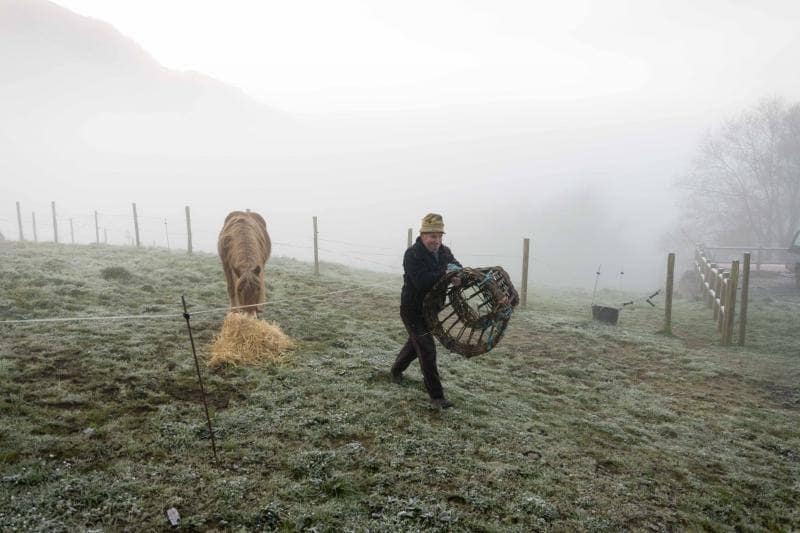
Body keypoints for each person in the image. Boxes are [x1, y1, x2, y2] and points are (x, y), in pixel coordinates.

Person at [391, 213, 462, 409]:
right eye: (432, 236)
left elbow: (457, 267)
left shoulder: (445, 252)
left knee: (416, 345)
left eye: (440, 236)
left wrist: (458, 277)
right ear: (422, 235)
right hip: (412, 311)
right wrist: (446, 274)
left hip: (431, 310)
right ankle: (437, 397)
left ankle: (395, 371)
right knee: (427, 349)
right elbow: (422, 282)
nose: (437, 241)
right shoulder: (412, 254)